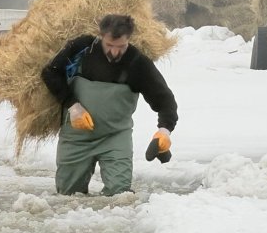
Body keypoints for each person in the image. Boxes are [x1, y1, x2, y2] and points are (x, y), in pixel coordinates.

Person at [41, 14, 178, 196]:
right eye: (109, 46)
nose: (114, 52)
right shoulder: (82, 48)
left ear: (129, 39)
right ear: (101, 36)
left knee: (120, 196)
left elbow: (165, 101)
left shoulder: (137, 63)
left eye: (121, 47)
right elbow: (50, 73)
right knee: (68, 197)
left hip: (115, 136)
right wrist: (73, 106)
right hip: (76, 137)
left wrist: (164, 130)